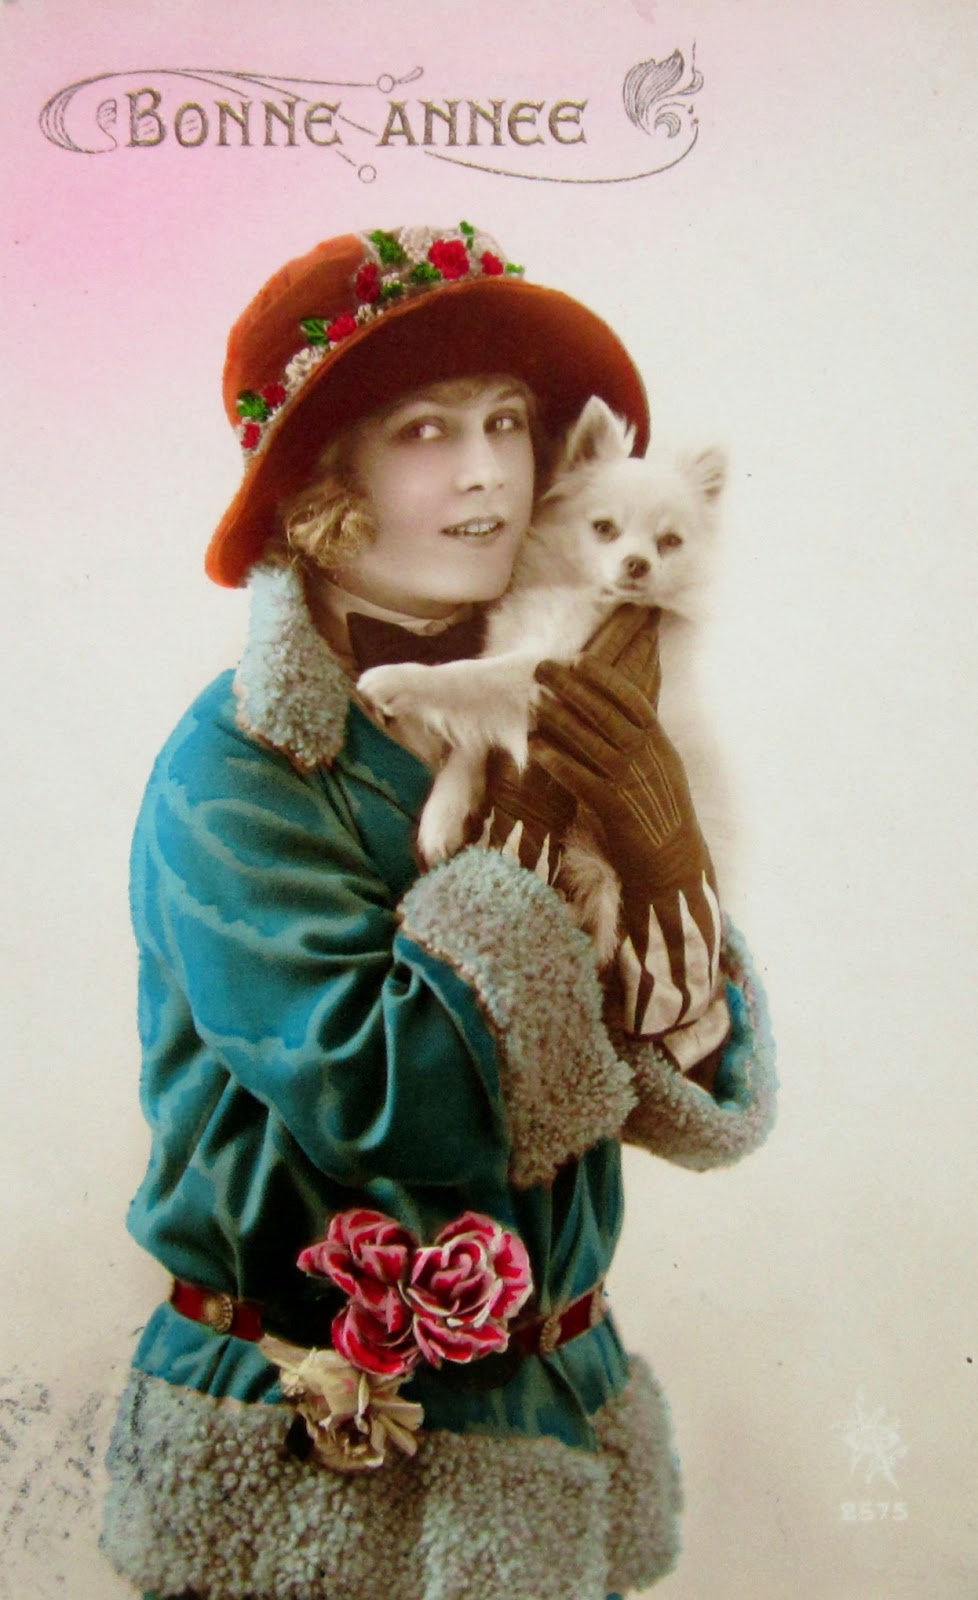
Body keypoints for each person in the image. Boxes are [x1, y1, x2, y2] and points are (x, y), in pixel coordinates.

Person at [102, 221, 776, 1600]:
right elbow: (392, 1102)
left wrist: (667, 883)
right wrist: (527, 856)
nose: (487, 473)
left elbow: (684, 1101)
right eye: (425, 431)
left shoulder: (573, 688)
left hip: (546, 1439)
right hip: (308, 1460)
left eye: (508, 422)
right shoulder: (237, 773)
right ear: (325, 486)